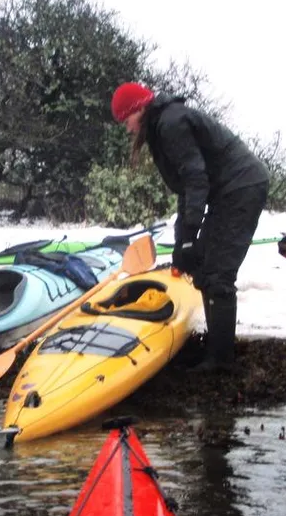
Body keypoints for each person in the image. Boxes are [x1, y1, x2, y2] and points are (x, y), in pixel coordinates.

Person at [110, 82, 270, 371]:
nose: (128, 128)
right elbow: (186, 189)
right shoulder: (161, 127)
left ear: (139, 109)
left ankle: (221, 362)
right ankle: (214, 353)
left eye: (127, 120)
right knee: (201, 267)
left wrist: (189, 236)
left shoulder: (171, 125)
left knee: (218, 274)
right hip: (227, 191)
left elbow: (196, 179)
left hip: (242, 187)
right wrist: (183, 239)